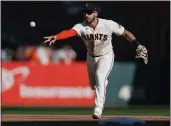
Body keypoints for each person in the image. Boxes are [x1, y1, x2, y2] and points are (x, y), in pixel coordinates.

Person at [43, 3, 148, 119]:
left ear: (96, 13)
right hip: (91, 57)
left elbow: (125, 33)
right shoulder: (81, 26)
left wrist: (137, 44)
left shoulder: (108, 24)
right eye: (85, 12)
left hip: (106, 56)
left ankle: (98, 110)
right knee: (93, 85)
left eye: (89, 12)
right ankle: (102, 83)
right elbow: (69, 32)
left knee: (100, 76)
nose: (86, 15)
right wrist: (57, 37)